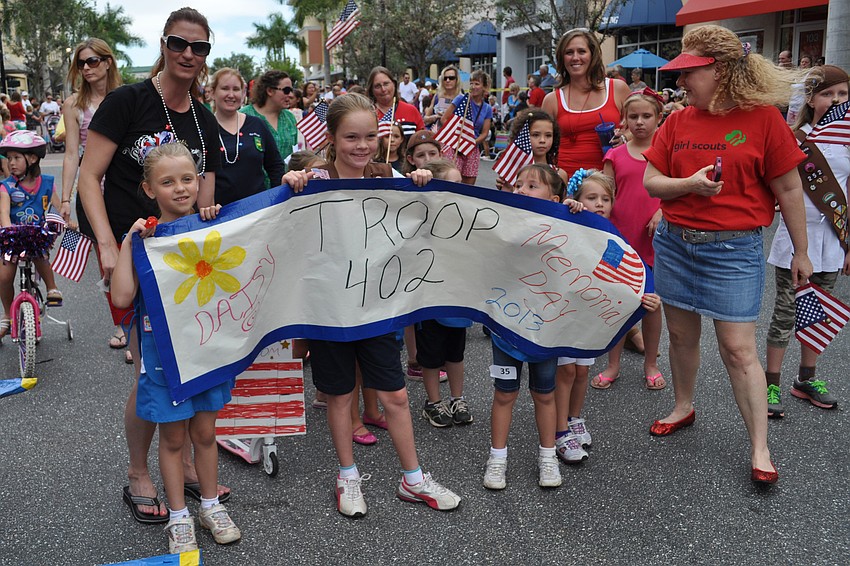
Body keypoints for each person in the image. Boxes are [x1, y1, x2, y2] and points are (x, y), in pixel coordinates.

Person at [77, 7, 228, 523]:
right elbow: (87, 177)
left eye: (199, 47)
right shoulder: (127, 102)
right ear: (163, 45)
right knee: (150, 371)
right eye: (179, 43)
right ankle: (140, 472)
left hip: (187, 272)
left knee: (186, 364)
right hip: (135, 261)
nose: (189, 54)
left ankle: (185, 463)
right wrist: (107, 244)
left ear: (207, 54)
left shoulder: (204, 123)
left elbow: (208, 203)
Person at [643, 25, 813, 485]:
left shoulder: (762, 120)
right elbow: (652, 182)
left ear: (718, 71)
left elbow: (789, 187)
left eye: (688, 73)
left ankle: (760, 447)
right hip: (675, 243)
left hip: (734, 251)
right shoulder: (677, 120)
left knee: (738, 351)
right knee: (680, 338)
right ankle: (683, 405)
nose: (680, 83)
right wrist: (690, 186)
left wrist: (801, 250)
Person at [282, 93, 461, 517]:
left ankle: (413, 479)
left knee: (396, 395)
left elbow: (421, 204)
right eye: (350, 137)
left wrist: (419, 180)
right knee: (340, 396)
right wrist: (290, 185)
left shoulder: (386, 173)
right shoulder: (316, 177)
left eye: (369, 136)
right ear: (331, 137)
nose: (361, 146)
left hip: (377, 307)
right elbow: (278, 221)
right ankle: (347, 476)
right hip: (329, 311)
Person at [111, 143, 239, 554]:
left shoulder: (211, 226)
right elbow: (122, 295)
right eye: (167, 182)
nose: (181, 189)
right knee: (172, 439)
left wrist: (216, 221)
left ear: (199, 181)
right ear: (149, 189)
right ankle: (180, 518)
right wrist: (130, 244)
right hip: (165, 360)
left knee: (205, 433)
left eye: (188, 179)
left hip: (207, 352)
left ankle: (210, 506)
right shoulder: (144, 238)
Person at [557, 168, 663, 463]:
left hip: (590, 319)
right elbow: (554, 225)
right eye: (591, 198)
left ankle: (575, 418)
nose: (600, 203)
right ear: (578, 199)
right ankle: (560, 431)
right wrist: (570, 206)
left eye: (606, 198)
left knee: (581, 371)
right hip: (564, 315)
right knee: (565, 372)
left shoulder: (612, 239)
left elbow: (621, 278)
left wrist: (643, 297)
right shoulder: (570, 223)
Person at [765, 65, 850, 417]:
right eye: (828, 93)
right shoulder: (795, 136)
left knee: (819, 313)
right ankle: (770, 384)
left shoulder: (848, 137)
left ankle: (806, 379)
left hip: (833, 239)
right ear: (812, 98)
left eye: (843, 94)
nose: (836, 100)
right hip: (795, 240)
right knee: (786, 313)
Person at [484, 163, 564, 491]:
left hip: (545, 330)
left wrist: (574, 212)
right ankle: (497, 457)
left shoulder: (564, 225)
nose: (522, 190)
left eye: (532, 186)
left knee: (544, 395)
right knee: (505, 394)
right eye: (518, 185)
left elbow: (593, 241)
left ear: (554, 198)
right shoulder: (506, 224)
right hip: (507, 328)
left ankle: (548, 456)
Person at [60, 38, 127, 361]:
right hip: (93, 194)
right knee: (109, 262)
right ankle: (123, 325)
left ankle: (143, 322)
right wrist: (64, 200)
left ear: (108, 62)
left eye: (93, 61)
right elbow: (72, 154)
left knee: (137, 257)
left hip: (126, 190)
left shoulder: (125, 98)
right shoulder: (73, 104)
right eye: (82, 63)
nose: (87, 68)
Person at [596, 88, 664, 390]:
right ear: (624, 120)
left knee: (652, 304)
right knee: (617, 301)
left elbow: (678, 191)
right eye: (633, 116)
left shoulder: (666, 154)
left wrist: (663, 212)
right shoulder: (615, 155)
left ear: (658, 118)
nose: (639, 122)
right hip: (619, 239)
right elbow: (604, 195)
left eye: (646, 116)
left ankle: (651, 363)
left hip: (654, 241)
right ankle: (613, 364)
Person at [413, 158, 473, 428]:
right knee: (431, 357)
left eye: (460, 183)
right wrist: (421, 183)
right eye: (451, 184)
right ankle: (433, 401)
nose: (457, 188)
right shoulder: (422, 211)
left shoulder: (467, 212)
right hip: (429, 298)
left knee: (455, 353)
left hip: (457, 297)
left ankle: (457, 398)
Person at [0, 130, 63, 338]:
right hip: (12, 237)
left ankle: (52, 289)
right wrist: (8, 230)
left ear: (33, 158)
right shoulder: (6, 187)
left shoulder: (46, 183)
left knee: (40, 254)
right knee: (4, 276)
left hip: (35, 235)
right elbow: (4, 213)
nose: (11, 163)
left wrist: (65, 219)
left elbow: (56, 207)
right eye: (9, 158)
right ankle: (8, 316)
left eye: (16, 158)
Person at [542, 28, 630, 176]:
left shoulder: (617, 88)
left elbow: (643, 128)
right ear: (562, 58)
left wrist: (625, 137)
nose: (575, 57)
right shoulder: (552, 100)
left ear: (593, 55)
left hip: (610, 182)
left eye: (582, 51)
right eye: (569, 52)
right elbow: (538, 142)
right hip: (566, 185)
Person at [210, 68, 285, 206]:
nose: (231, 95)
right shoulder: (205, 129)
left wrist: (277, 199)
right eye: (225, 88)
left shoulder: (258, 124)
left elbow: (275, 166)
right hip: (220, 217)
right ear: (213, 92)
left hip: (257, 213)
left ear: (243, 93)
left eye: (236, 89)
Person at [496, 109, 568, 193]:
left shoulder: (559, 174)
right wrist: (508, 189)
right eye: (535, 135)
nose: (542, 140)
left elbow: (561, 203)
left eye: (548, 135)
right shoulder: (511, 171)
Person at [440, 69, 492, 185]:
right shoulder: (461, 99)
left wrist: (470, 143)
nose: (473, 86)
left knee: (469, 185)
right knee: (452, 181)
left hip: (472, 147)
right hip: (454, 145)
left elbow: (484, 133)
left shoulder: (487, 108)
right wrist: (455, 138)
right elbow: (444, 119)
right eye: (471, 83)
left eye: (477, 84)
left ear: (484, 87)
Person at [239, 70, 298, 171]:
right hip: (256, 184)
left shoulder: (290, 118)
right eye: (286, 90)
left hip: (285, 183)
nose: (291, 95)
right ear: (270, 91)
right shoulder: (244, 116)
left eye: (292, 90)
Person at [367, 66, 424, 138]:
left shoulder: (411, 110)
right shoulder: (367, 113)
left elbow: (422, 140)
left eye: (386, 84)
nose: (383, 89)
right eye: (377, 86)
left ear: (394, 84)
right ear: (371, 90)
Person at [425, 66, 462, 131]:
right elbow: (425, 119)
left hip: (453, 134)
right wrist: (434, 117)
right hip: (435, 133)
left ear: (457, 80)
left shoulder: (461, 98)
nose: (448, 80)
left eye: (451, 78)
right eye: (445, 78)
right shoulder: (437, 96)